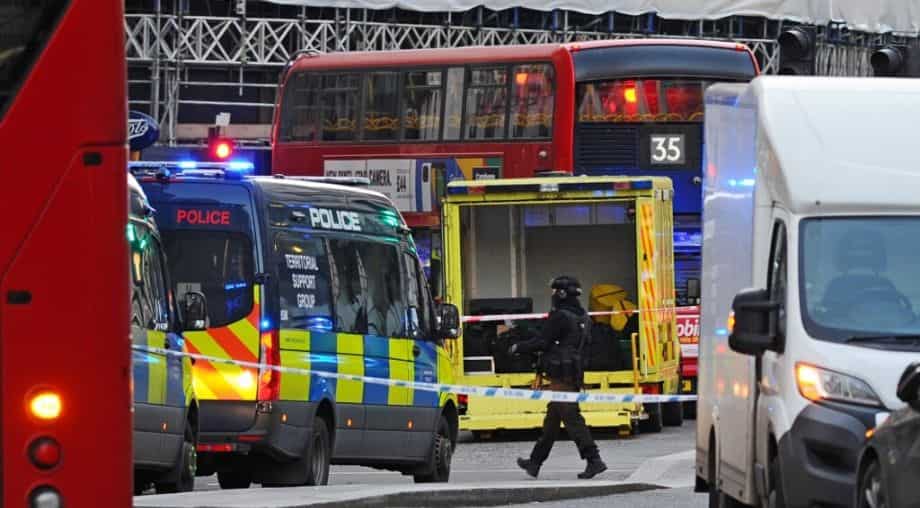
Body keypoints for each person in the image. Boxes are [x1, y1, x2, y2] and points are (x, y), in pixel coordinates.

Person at [508, 276, 608, 480]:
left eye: (555, 292)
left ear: (561, 294)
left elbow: (543, 341)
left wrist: (518, 347)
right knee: (552, 420)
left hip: (561, 374)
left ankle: (594, 459)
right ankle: (535, 462)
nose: (553, 296)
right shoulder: (583, 316)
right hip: (573, 372)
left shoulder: (561, 316)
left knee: (572, 418)